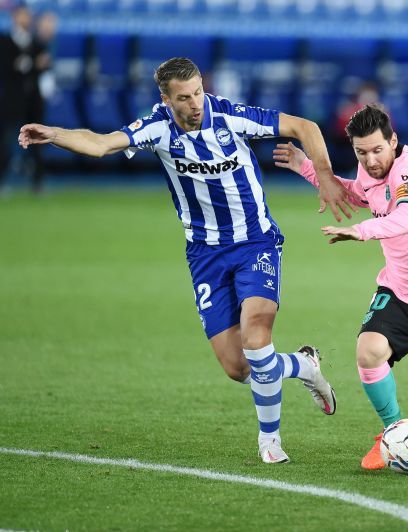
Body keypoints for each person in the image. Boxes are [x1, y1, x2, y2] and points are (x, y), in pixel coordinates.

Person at [18, 57, 360, 464]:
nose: (195, 103)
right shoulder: (157, 127)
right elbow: (102, 143)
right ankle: (304, 366)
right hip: (204, 255)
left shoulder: (230, 116)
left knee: (256, 339)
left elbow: (305, 127)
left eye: (198, 92)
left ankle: (270, 443)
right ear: (165, 98)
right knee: (238, 367)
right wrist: (53, 133)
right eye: (184, 97)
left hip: (256, 243)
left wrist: (324, 176)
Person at [273, 104, 408, 468]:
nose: (371, 160)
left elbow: (406, 217)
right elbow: (360, 194)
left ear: (394, 141)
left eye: (377, 150)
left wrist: (360, 232)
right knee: (368, 350)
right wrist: (306, 167)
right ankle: (392, 433)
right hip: (399, 290)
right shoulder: (369, 169)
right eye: (361, 152)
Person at [0, 4, 49, 193]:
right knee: (5, 141)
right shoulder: (5, 41)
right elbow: (8, 68)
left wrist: (27, 65)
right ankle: (2, 179)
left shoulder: (35, 42)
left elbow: (43, 65)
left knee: (38, 141)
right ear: (15, 17)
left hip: (33, 100)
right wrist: (31, 64)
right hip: (12, 100)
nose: (26, 19)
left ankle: (38, 182)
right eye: (23, 15)